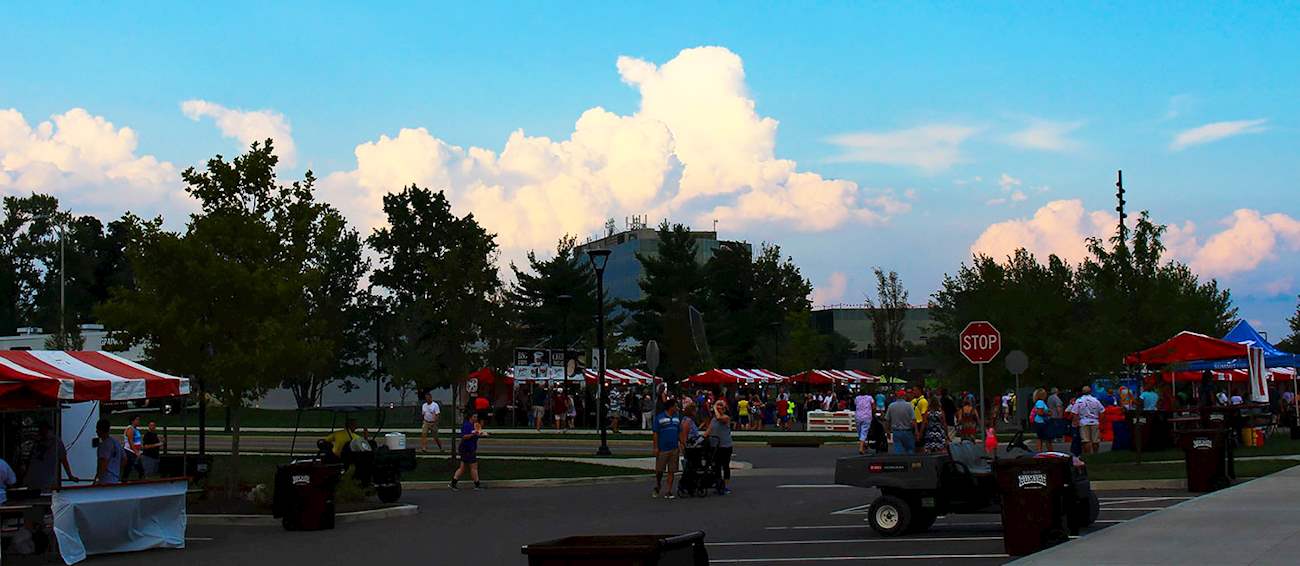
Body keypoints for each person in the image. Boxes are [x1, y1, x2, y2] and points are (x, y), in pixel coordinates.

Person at [23, 421, 77, 489]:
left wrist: (70, 476)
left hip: (46, 481)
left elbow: (64, 460)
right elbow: (30, 460)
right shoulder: (37, 442)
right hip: (33, 479)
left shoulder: (56, 442)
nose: (43, 432)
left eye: (45, 430)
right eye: (41, 430)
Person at [652, 398, 686, 499]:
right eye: (675, 406)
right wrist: (656, 447)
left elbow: (679, 431)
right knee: (660, 470)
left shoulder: (677, 418)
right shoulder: (660, 418)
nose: (677, 408)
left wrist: (682, 443)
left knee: (672, 470)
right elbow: (655, 433)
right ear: (671, 407)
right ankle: (658, 484)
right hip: (663, 448)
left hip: (674, 448)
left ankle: (669, 490)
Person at [450, 412, 486, 490]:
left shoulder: (476, 425)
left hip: (471, 448)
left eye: (476, 417)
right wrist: (473, 434)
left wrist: (482, 434)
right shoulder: (466, 425)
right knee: (474, 466)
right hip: (466, 448)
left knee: (462, 467)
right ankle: (477, 484)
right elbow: (464, 436)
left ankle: (453, 483)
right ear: (470, 417)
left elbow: (478, 432)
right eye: (474, 417)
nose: (476, 418)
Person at [707, 400, 734, 495]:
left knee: (725, 465)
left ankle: (726, 486)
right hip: (715, 446)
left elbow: (719, 418)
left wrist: (714, 407)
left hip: (725, 446)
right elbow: (708, 430)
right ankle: (718, 484)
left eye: (721, 407)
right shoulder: (713, 420)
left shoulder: (725, 418)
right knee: (716, 466)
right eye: (717, 407)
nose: (718, 409)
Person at [1069, 386, 1105, 454]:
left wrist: (1075, 422)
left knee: (1086, 440)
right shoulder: (1095, 400)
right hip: (1095, 421)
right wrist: (1100, 421)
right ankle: (1095, 454)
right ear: (1090, 391)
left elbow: (1074, 413)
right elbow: (1102, 411)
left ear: (1082, 392)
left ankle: (1088, 455)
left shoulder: (1079, 401)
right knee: (1095, 440)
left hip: (1083, 422)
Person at [94, 418, 124, 484]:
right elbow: (124, 459)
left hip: (105, 479)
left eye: (97, 429)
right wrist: (116, 469)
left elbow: (103, 462)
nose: (96, 431)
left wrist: (98, 478)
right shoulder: (116, 442)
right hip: (115, 478)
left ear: (100, 430)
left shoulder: (104, 445)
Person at [123, 415, 145, 480]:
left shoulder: (136, 429)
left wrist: (141, 448)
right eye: (137, 420)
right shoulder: (130, 429)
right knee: (130, 467)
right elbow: (131, 441)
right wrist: (136, 452)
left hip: (136, 451)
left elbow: (138, 440)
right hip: (130, 451)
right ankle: (125, 479)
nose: (138, 421)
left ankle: (139, 479)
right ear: (132, 421)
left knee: (137, 467)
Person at [854, 390, 875, 455]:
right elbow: (873, 406)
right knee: (864, 431)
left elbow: (855, 404)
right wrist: (873, 412)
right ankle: (862, 447)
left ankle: (862, 446)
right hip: (867, 417)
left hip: (858, 417)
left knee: (860, 432)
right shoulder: (870, 398)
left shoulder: (857, 398)